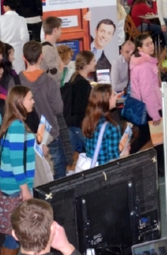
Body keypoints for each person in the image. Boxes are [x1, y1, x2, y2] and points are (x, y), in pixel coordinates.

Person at [0, 85, 36, 255]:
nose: (33, 101)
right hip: (16, 185)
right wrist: (25, 189)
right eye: (30, 98)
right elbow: (16, 162)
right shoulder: (17, 126)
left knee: (15, 230)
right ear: (20, 101)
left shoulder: (12, 123)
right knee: (16, 232)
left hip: (11, 182)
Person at [20, 41, 73, 180]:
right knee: (57, 179)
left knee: (33, 179)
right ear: (41, 56)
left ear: (23, 57)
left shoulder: (16, 82)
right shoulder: (50, 82)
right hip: (50, 136)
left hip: (25, 136)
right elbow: (58, 109)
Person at [82, 83, 128, 167]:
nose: (116, 97)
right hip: (105, 171)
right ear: (106, 100)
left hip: (92, 168)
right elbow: (114, 162)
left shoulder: (89, 120)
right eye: (114, 95)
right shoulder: (112, 127)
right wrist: (125, 155)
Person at [62, 50, 94, 153]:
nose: (95, 63)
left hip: (72, 124)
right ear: (86, 64)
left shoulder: (75, 78)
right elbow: (80, 109)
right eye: (93, 61)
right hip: (78, 125)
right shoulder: (83, 84)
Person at [0, 0, 30, 72]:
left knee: (4, 72)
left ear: (5, 6)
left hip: (3, 50)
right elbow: (25, 37)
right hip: (17, 51)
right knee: (18, 73)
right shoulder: (21, 19)